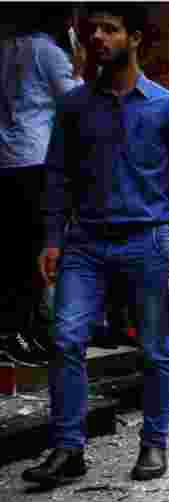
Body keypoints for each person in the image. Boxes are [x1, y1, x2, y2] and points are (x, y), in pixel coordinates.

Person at [26, 4, 169, 485]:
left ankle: (153, 442)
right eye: (92, 31)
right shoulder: (73, 106)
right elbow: (57, 176)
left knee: (155, 349)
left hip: (149, 241)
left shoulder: (168, 108)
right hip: (84, 243)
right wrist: (51, 238)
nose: (98, 38)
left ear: (135, 38)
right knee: (66, 339)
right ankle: (69, 449)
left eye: (110, 29)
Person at [0, 5, 84, 366]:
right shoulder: (47, 52)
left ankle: (19, 330)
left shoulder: (5, 48)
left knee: (12, 248)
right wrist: (79, 67)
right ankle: (16, 331)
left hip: (6, 156)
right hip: (35, 157)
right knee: (35, 249)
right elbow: (75, 100)